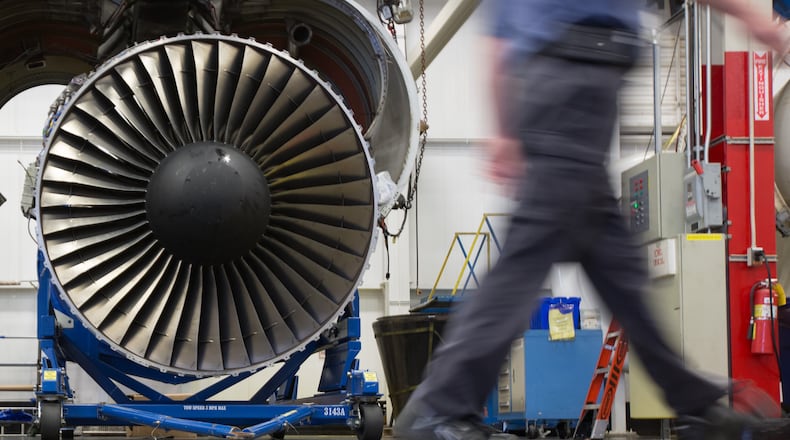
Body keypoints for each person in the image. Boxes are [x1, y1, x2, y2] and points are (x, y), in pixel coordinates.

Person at [393, 1, 787, 440]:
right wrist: (752, 17)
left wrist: (506, 126)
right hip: (572, 82)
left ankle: (697, 404)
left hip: (580, 88)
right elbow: (499, 42)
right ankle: (437, 410)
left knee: (618, 269)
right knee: (529, 259)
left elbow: (498, 41)